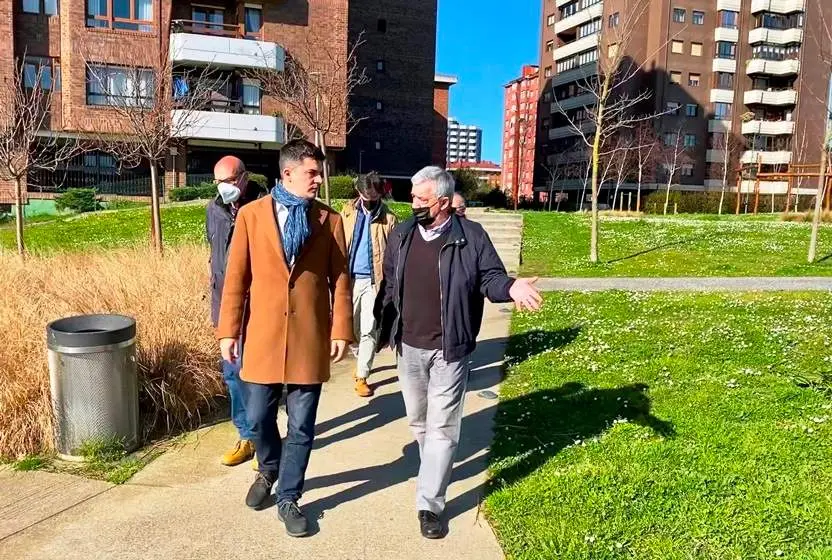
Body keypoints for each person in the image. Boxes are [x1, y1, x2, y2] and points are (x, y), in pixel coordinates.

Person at [375, 166, 542, 539]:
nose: (413, 203)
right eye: (413, 196)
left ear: (444, 203)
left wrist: (511, 287)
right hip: (409, 345)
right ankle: (434, 467)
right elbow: (389, 285)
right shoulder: (401, 234)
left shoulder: (471, 237)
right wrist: (381, 328)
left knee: (443, 428)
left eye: (421, 199)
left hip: (450, 349)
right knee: (419, 421)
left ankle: (429, 502)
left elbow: (490, 278)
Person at [216, 139, 353, 537]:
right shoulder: (252, 216)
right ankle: (269, 467)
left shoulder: (329, 220)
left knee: (302, 426)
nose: (318, 179)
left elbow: (340, 280)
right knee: (257, 419)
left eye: (319, 172)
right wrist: (229, 330)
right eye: (312, 172)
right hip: (262, 337)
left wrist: (342, 328)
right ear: (288, 172)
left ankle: (289, 497)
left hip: (309, 339)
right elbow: (236, 278)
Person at [207, 155, 263, 467]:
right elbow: (214, 255)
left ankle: (262, 434)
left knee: (257, 376)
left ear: (243, 178)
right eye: (218, 182)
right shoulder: (213, 210)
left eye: (228, 181)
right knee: (232, 374)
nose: (223, 188)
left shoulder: (264, 207)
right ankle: (246, 435)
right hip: (224, 305)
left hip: (257, 306)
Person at [341, 172, 398, 397]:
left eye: (376, 197)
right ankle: (360, 357)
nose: (372, 201)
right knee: (351, 329)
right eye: (368, 196)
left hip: (374, 282)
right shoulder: (346, 213)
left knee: (368, 329)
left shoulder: (389, 219)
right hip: (349, 280)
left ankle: (362, 375)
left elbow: (394, 254)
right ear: (359, 192)